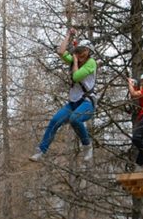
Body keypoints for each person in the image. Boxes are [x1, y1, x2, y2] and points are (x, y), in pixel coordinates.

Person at [30, 31, 96, 163]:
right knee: (55, 121)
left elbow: (76, 76)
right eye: (79, 51)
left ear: (89, 52)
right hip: (73, 103)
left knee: (75, 119)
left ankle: (87, 145)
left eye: (84, 51)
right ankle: (41, 151)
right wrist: (67, 35)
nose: (81, 54)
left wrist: (75, 61)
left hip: (87, 103)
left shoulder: (91, 63)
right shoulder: (75, 61)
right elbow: (61, 52)